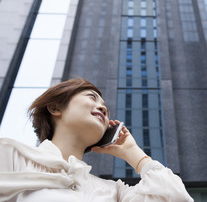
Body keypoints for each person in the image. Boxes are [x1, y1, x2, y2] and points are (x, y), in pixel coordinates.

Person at [0, 78, 193, 201]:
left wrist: (132, 152)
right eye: (92, 97)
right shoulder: (11, 155)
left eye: (105, 107)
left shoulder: (113, 192)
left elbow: (176, 197)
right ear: (55, 108)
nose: (103, 108)